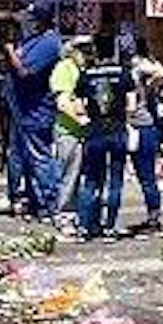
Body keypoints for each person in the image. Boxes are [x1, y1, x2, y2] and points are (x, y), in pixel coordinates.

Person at [4, 0, 63, 220]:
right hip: (21, 108)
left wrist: (9, 50)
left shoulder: (49, 43)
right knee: (24, 157)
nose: (29, 22)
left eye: (32, 18)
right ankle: (33, 200)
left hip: (37, 109)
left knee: (40, 156)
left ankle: (51, 202)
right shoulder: (32, 40)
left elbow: (24, 71)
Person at [74, 34, 135, 240]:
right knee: (115, 179)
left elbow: (79, 107)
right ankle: (110, 226)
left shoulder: (86, 74)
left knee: (91, 179)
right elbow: (132, 105)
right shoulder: (123, 73)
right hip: (117, 129)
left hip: (95, 131)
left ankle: (84, 226)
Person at [126, 38, 163, 234]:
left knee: (145, 175)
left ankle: (153, 216)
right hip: (140, 124)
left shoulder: (137, 65)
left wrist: (152, 83)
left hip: (140, 124)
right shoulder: (137, 67)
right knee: (144, 175)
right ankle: (153, 215)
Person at [51, 36, 92, 221]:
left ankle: (83, 215)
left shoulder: (87, 68)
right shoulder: (64, 68)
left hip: (88, 133)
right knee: (69, 175)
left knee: (85, 177)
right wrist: (80, 118)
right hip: (69, 131)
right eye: (82, 49)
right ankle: (64, 214)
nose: (87, 53)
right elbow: (63, 102)